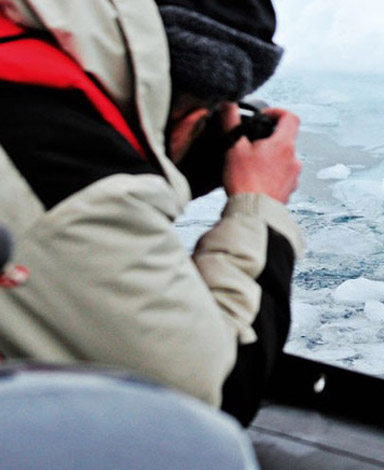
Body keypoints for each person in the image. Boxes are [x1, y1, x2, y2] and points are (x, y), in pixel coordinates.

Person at [0, 0, 302, 426]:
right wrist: (258, 204)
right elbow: (206, 401)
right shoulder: (71, 183)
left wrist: (158, 162)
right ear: (191, 117)